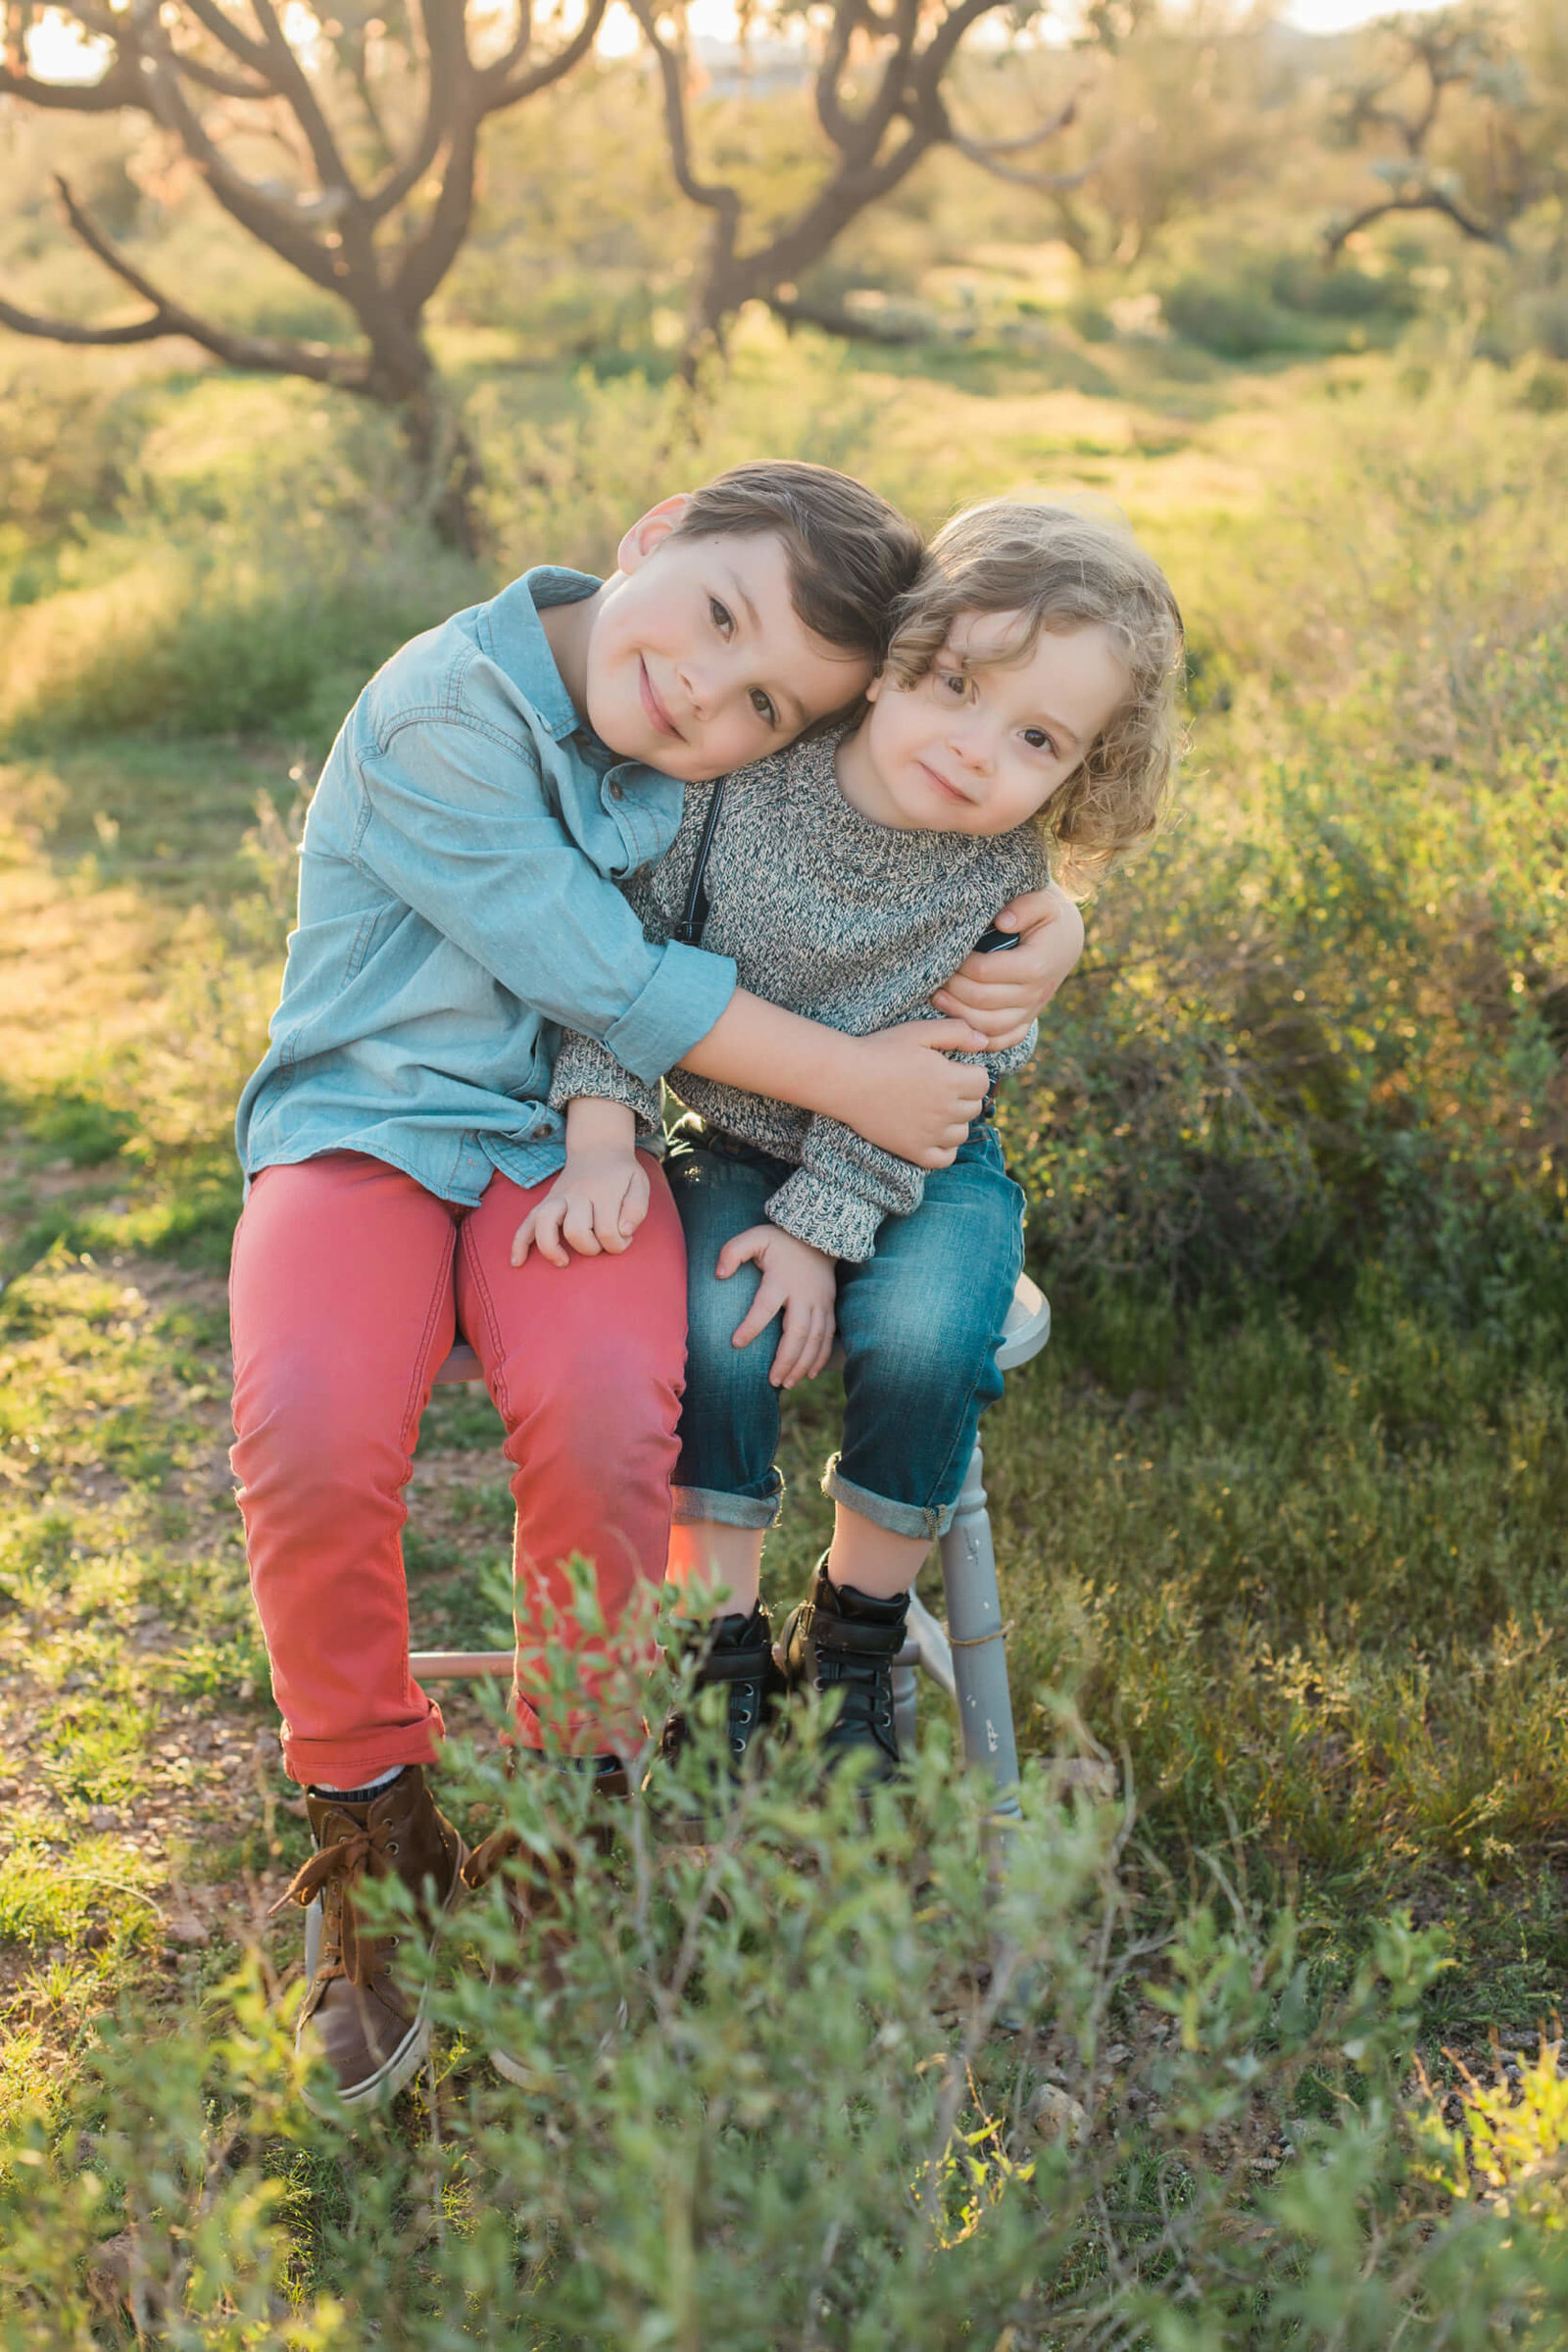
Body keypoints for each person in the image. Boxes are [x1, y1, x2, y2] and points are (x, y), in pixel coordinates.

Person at [229, 462, 1083, 2107]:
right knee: (314, 1427)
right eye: (711, 615)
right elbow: (607, 975)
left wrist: (1056, 919)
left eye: (763, 698)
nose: (703, 688)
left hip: (577, 1148)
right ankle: (374, 1835)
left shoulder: (696, 764)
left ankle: (568, 1817)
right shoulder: (443, 717)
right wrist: (856, 1083)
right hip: (369, 1125)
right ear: (646, 543)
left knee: (620, 1406)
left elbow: (903, 812)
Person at [532, 499, 1182, 1783]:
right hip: (731, 1143)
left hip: (927, 1165)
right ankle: (715, 1642)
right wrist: (603, 1131)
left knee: (934, 1335)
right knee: (720, 1338)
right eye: (956, 686)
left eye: (1037, 737)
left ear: (1078, 772)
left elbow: (948, 1083)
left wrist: (822, 1232)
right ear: (894, 658)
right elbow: (628, 971)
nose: (974, 747)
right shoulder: (736, 790)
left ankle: (852, 1631)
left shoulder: (1002, 880)